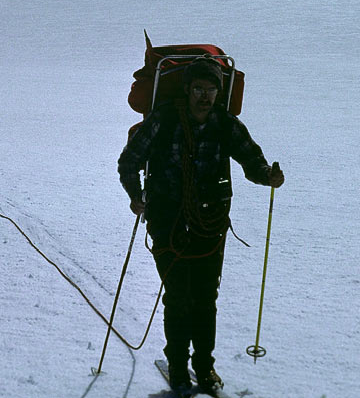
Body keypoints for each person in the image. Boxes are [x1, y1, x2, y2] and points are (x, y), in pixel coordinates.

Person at [117, 58, 284, 394]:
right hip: (168, 222)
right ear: (187, 90)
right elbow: (129, 161)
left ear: (218, 94)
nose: (204, 97)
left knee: (206, 299)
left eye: (210, 90)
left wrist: (267, 176)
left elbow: (250, 157)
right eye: (198, 89)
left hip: (210, 224)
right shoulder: (164, 118)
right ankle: (179, 368)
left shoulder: (225, 123)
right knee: (179, 297)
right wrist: (136, 195)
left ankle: (204, 368)